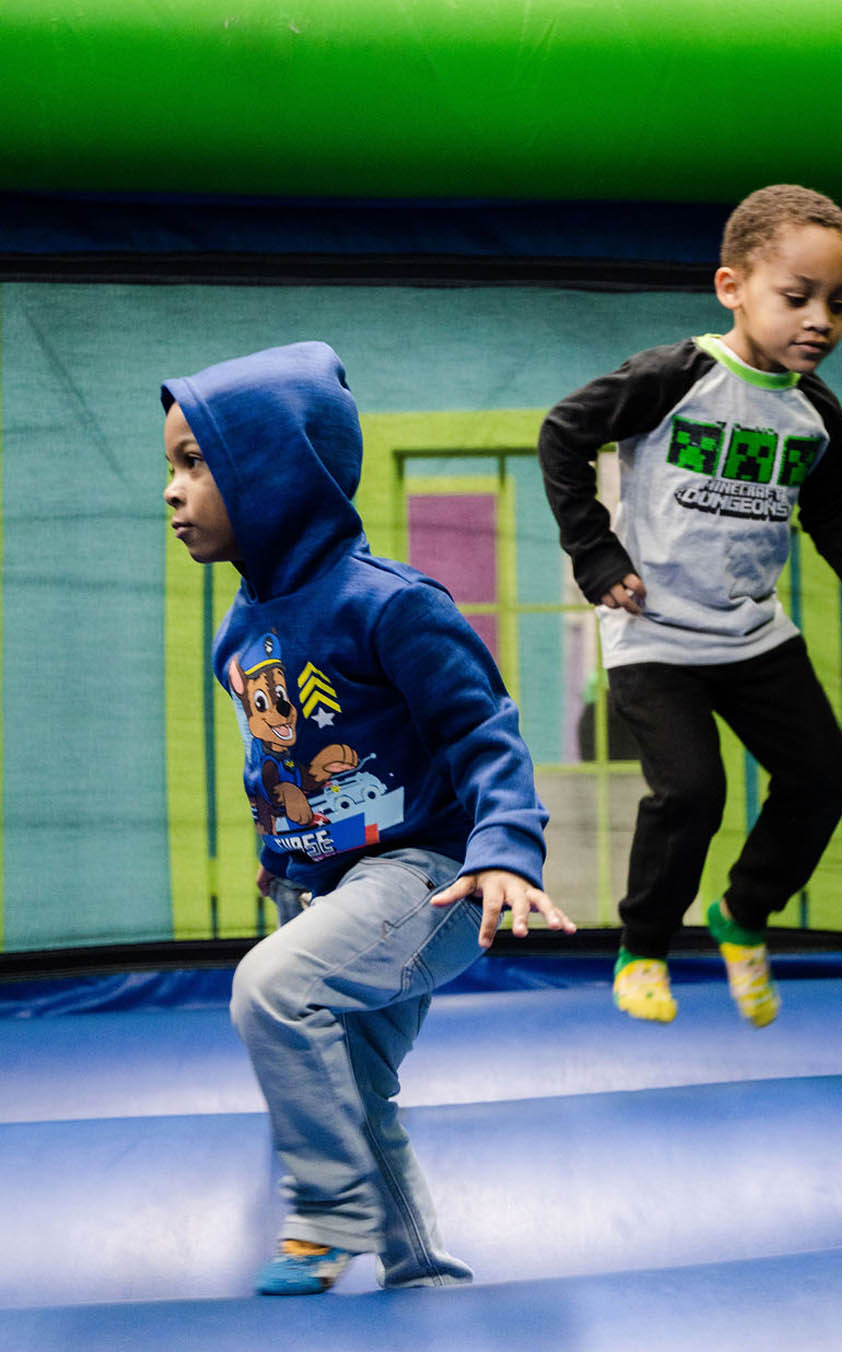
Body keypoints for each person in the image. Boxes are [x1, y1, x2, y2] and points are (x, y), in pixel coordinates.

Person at [162, 340, 574, 1297]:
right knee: (356, 1089)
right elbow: (279, 756)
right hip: (332, 885)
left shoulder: (388, 605)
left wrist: (508, 847)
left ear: (272, 475)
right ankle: (421, 1276)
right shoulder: (242, 628)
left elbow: (484, 728)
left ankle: (327, 1214)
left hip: (432, 876)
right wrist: (284, 855)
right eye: (169, 468)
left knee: (269, 990)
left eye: (195, 463)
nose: (174, 492)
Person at [538, 184, 842, 1027]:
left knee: (823, 776)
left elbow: (833, 511)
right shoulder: (676, 377)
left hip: (752, 632)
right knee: (693, 793)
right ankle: (643, 947)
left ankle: (742, 916)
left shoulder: (817, 415)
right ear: (732, 287)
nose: (819, 319)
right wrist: (597, 555)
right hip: (654, 632)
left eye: (839, 304)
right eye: (797, 297)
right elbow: (563, 433)